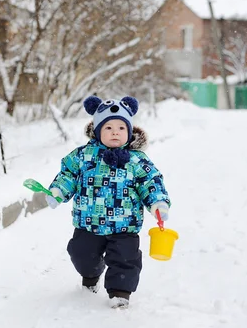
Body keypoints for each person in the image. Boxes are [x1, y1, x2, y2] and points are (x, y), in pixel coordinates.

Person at [46, 95, 171, 309]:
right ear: (97, 131)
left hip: (125, 225)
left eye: (121, 128)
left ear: (129, 132)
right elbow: (68, 175)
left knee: (125, 258)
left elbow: (150, 182)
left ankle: (120, 292)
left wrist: (157, 203)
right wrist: (58, 190)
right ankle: (91, 275)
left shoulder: (137, 160)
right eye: (108, 128)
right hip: (88, 223)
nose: (115, 132)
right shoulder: (82, 156)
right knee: (81, 253)